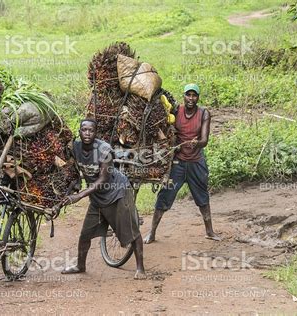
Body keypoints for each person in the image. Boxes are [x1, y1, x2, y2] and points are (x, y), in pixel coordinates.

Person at [61, 118, 146, 279]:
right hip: (98, 198)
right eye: (84, 130)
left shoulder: (104, 150)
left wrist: (79, 195)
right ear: (79, 132)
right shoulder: (75, 147)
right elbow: (72, 168)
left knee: (132, 232)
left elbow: (102, 180)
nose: (87, 133)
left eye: (91, 130)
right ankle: (80, 265)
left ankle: (140, 268)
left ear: (96, 133)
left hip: (117, 193)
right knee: (85, 234)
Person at [144, 84, 221, 244]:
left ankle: (209, 231)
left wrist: (197, 143)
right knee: (164, 196)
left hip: (196, 163)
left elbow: (205, 140)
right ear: (184, 96)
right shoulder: (176, 111)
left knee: (202, 197)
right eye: (188, 95)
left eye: (194, 95)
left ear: (198, 97)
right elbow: (165, 129)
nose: (191, 98)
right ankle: (152, 233)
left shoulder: (204, 113)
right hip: (178, 163)